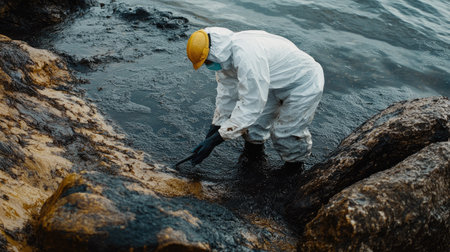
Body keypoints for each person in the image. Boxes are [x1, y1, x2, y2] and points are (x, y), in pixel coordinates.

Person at [186, 27, 324, 176]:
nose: (208, 65)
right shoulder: (225, 57)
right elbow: (227, 95)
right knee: (253, 129)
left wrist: (215, 141)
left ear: (213, 53)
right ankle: (253, 164)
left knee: (286, 133)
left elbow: (251, 105)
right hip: (271, 81)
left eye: (207, 61)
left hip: (302, 82)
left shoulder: (247, 55)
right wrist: (214, 129)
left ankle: (294, 170)